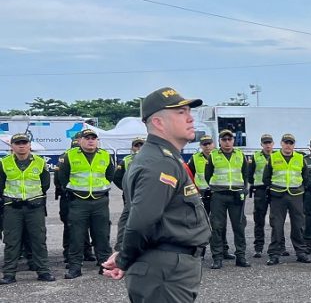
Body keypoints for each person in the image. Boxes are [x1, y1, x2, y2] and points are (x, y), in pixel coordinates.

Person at [100, 87, 211, 301]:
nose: (190, 118)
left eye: (189, 111)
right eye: (181, 113)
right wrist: (124, 257)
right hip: (165, 271)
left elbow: (130, 212)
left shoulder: (158, 157)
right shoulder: (160, 162)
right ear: (159, 123)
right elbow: (141, 220)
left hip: (163, 267)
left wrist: (123, 253)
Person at [57, 127, 115, 279]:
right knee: (76, 236)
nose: (90, 141)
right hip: (78, 201)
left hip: (100, 201)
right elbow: (62, 177)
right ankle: (75, 267)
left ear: (97, 141)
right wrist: (71, 189)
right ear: (81, 140)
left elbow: (110, 175)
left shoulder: (106, 155)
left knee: (102, 235)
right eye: (87, 138)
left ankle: (104, 266)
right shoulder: (69, 155)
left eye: (93, 138)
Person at [0, 132, 53, 284]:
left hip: (34, 207)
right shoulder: (4, 163)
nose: (21, 146)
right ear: (12, 146)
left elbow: (45, 184)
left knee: (39, 240)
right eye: (18, 143)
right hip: (12, 207)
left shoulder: (40, 162)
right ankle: (9, 274)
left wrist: (34, 198)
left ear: (30, 145)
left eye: (24, 142)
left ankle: (43, 271)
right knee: (11, 241)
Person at [204, 129, 251, 269]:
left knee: (239, 226)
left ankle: (241, 257)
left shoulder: (240, 155)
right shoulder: (213, 156)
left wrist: (244, 189)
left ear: (233, 141)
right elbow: (208, 175)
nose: (227, 142)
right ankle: (217, 258)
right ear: (219, 141)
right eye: (224, 139)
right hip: (219, 195)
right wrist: (215, 187)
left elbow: (245, 175)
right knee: (217, 227)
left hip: (236, 196)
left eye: (229, 139)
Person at [263, 133, 310, 265]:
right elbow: (266, 178)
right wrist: (273, 188)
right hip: (278, 196)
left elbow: (305, 178)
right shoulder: (273, 158)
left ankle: (301, 252)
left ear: (294, 145)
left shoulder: (300, 158)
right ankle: (274, 254)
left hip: (296, 195)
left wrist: (300, 189)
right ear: (281, 143)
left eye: (291, 143)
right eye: (286, 142)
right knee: (276, 226)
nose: (288, 145)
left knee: (298, 225)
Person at [113, 137, 145, 252]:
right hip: (130, 197)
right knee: (125, 220)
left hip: (146, 197)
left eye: (141, 145)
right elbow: (117, 177)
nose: (139, 148)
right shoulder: (126, 160)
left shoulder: (151, 160)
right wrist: (126, 189)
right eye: (136, 145)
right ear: (132, 148)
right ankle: (120, 246)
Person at [249, 134, 275, 258]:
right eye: (265, 143)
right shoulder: (255, 157)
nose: (267, 145)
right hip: (260, 190)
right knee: (259, 220)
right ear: (261, 144)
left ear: (273, 144)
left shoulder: (277, 156)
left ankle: (280, 246)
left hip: (275, 190)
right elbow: (249, 174)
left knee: (276, 220)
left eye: (269, 142)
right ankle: (258, 248)